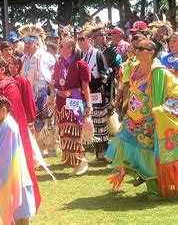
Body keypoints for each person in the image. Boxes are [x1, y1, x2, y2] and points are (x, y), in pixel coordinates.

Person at [105, 39, 178, 198]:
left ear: (151, 52)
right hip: (132, 117)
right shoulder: (133, 68)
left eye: (141, 49)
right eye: (135, 48)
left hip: (149, 120)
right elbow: (130, 89)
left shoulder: (159, 71)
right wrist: (125, 104)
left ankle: (155, 190)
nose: (136, 51)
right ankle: (139, 175)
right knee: (124, 145)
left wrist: (161, 110)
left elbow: (175, 93)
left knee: (146, 155)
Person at [0, 55, 41, 221]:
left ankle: (17, 212)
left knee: (11, 177)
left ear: (2, 70)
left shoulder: (10, 87)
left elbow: (9, 116)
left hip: (7, 143)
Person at [51, 37, 92, 176]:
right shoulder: (58, 64)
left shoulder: (80, 64)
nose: (59, 48)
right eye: (59, 46)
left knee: (75, 129)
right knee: (64, 130)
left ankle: (81, 159)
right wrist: (52, 90)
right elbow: (56, 83)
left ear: (70, 49)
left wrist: (89, 104)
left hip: (75, 100)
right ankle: (70, 158)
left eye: (62, 46)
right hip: (61, 101)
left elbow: (85, 86)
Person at [0, 95, 27, 225]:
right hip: (1, 167)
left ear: (3, 110)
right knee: (1, 198)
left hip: (7, 168)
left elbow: (7, 151)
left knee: (7, 197)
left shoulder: (9, 127)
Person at [18, 24, 56, 156]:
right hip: (27, 94)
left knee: (45, 120)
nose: (27, 45)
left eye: (29, 43)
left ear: (36, 43)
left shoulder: (44, 57)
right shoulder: (23, 58)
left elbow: (52, 76)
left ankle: (51, 147)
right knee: (33, 121)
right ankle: (38, 147)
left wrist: (52, 93)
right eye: (25, 43)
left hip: (42, 93)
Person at [77, 29, 110, 163]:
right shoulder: (80, 56)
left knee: (99, 121)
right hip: (84, 94)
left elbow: (104, 75)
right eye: (78, 39)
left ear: (90, 40)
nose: (79, 42)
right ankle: (94, 151)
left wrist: (91, 86)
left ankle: (102, 153)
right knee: (88, 122)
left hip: (96, 92)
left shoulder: (98, 54)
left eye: (82, 39)